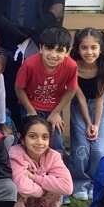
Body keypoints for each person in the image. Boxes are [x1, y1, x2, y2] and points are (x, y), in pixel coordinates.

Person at [68, 27, 104, 201]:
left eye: (93, 47)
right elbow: (80, 98)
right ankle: (80, 182)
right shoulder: (72, 67)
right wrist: (88, 123)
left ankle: (98, 182)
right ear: (78, 49)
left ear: (101, 49)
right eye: (84, 47)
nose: (89, 52)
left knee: (99, 147)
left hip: (102, 107)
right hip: (79, 106)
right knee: (81, 146)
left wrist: (96, 125)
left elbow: (99, 99)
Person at [14, 26, 77, 156]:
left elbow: (72, 90)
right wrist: (30, 111)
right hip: (30, 106)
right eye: (49, 48)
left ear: (67, 52)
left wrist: (56, 112)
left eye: (59, 50)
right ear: (41, 48)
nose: (53, 55)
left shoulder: (71, 66)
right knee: (31, 139)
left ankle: (55, 166)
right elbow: (19, 88)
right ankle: (28, 165)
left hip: (54, 108)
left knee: (56, 143)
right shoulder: (30, 64)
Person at [9, 116, 72, 207]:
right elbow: (21, 186)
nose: (39, 142)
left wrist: (35, 177)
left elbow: (67, 186)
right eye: (32, 136)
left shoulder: (53, 156)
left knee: (56, 185)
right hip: (18, 199)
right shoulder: (15, 153)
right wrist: (42, 189)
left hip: (40, 199)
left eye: (45, 137)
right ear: (21, 137)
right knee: (13, 185)